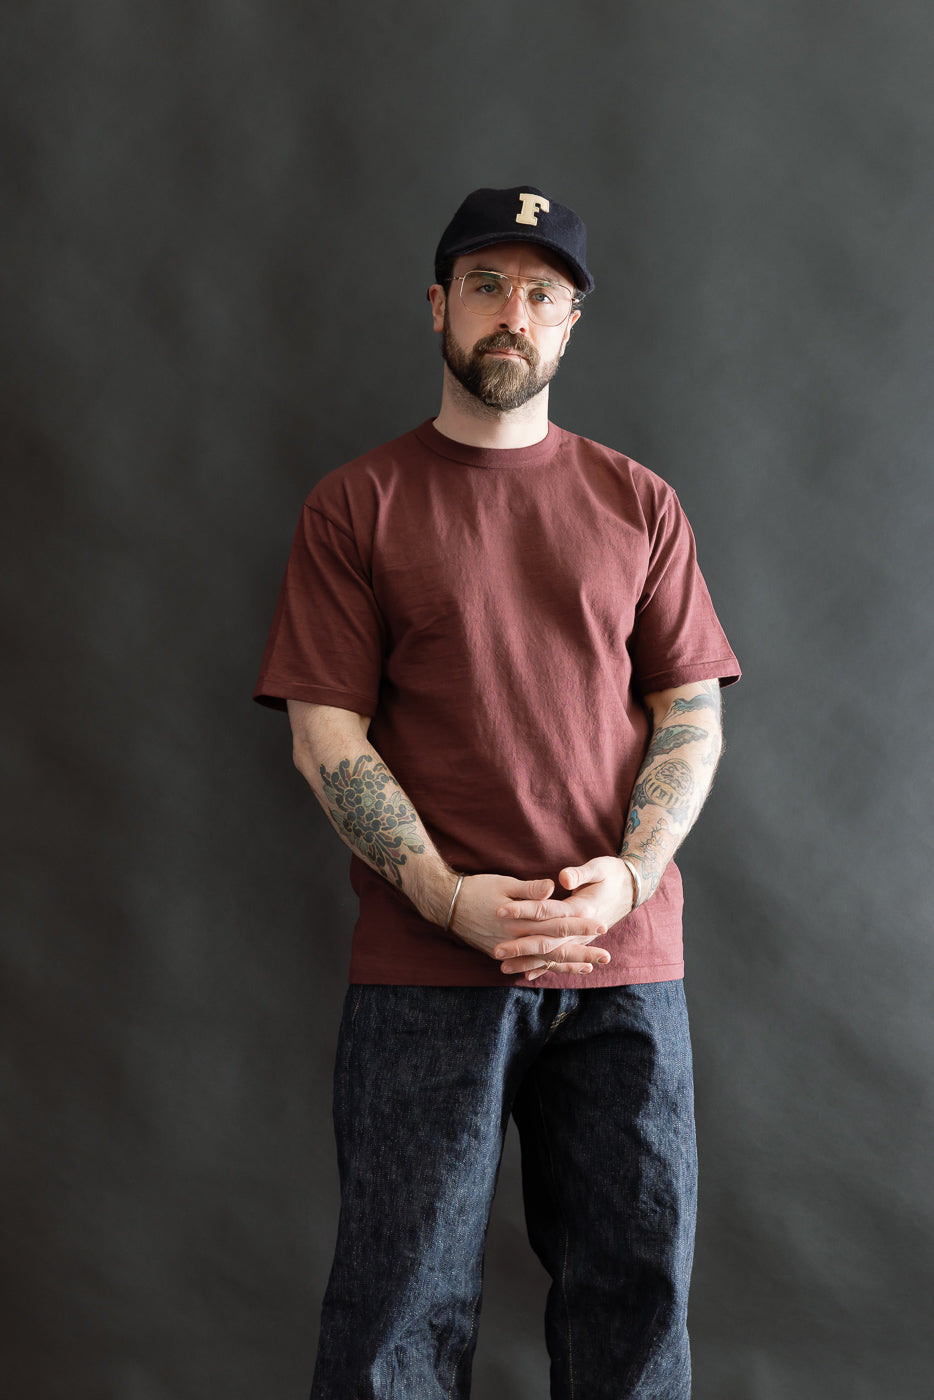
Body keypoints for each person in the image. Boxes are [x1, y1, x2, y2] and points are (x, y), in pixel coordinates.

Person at [254, 185, 741, 1400]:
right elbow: (326, 735)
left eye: (540, 293)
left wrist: (627, 877)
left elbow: (690, 712)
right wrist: (443, 894)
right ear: (437, 307)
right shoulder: (355, 504)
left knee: (635, 1305)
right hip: (429, 968)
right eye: (485, 285)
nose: (510, 313)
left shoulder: (640, 502)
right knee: (396, 1315)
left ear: (571, 324)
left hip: (622, 964)